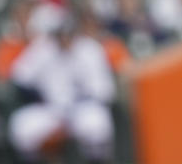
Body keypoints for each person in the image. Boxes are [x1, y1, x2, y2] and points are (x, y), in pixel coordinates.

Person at [8, 16, 115, 163]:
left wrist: (84, 99)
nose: (65, 39)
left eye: (68, 34)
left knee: (97, 122)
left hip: (81, 109)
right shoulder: (43, 49)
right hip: (52, 110)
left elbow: (104, 90)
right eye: (61, 35)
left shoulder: (89, 50)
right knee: (21, 125)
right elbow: (20, 77)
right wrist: (38, 96)